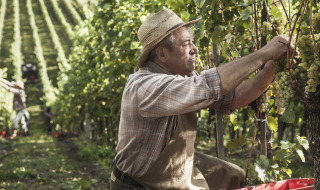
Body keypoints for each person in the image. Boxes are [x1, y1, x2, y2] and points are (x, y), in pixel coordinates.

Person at [110, 9, 293, 190]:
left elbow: (235, 96)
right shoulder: (145, 86)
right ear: (162, 54)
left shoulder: (181, 77)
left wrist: (271, 69)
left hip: (169, 167)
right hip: (138, 183)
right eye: (187, 44)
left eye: (193, 42)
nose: (195, 50)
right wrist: (264, 53)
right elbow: (210, 85)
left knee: (233, 176)